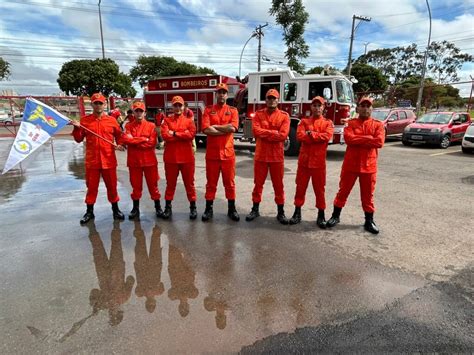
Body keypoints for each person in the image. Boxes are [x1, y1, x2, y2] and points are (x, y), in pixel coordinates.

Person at [326, 96, 385, 234]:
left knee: (368, 195)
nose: (365, 108)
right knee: (343, 192)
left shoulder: (378, 125)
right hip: (350, 165)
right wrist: (369, 138)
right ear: (358, 108)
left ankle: (369, 221)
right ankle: (335, 216)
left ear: (371, 109)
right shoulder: (350, 123)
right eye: (362, 106)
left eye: (368, 106)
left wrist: (359, 139)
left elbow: (379, 142)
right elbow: (349, 139)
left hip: (369, 166)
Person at [71, 93, 125, 225]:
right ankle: (89, 211)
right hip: (92, 161)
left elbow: (119, 135)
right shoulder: (85, 121)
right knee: (91, 187)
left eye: (101, 103)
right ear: (92, 104)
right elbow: (78, 139)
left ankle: (115, 209)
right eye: (96, 103)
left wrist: (120, 144)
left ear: (105, 104)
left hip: (108, 160)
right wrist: (76, 127)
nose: (98, 105)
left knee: (112, 186)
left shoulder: (111, 121)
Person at [245, 88, 290, 225]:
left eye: (274, 98)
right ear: (266, 100)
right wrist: (274, 133)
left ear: (278, 100)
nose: (271, 100)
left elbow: (283, 135)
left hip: (277, 157)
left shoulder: (284, 116)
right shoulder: (258, 114)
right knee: (258, 185)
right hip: (261, 156)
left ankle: (280, 212)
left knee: (278, 185)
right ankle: (255, 209)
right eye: (269, 98)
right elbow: (255, 132)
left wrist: (267, 134)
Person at [289, 96, 334, 228]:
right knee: (300, 188)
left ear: (323, 107)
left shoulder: (327, 123)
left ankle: (321, 215)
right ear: (311, 107)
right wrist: (315, 136)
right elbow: (300, 136)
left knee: (319, 190)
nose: (317, 108)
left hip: (318, 164)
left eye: (319, 105)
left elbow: (326, 137)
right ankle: (297, 213)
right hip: (304, 163)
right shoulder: (303, 122)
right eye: (314, 105)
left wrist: (311, 134)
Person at [201, 83, 240, 222]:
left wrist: (215, 127)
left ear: (227, 94)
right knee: (211, 184)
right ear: (216, 94)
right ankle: (208, 209)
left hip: (228, 154)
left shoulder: (233, 110)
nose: (221, 94)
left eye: (224, 92)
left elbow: (233, 128)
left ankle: (232, 209)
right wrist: (224, 129)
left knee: (229, 183)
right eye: (219, 92)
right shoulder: (208, 110)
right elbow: (205, 129)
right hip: (212, 155)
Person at [120, 101, 163, 220]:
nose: (139, 113)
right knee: (135, 186)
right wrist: (143, 139)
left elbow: (152, 143)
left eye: (141, 111)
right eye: (136, 110)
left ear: (144, 112)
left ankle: (158, 207)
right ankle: (135, 209)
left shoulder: (151, 126)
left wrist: (134, 141)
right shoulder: (128, 126)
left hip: (149, 162)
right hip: (134, 162)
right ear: (133, 112)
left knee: (153, 186)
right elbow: (126, 140)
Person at [160, 96, 197, 219]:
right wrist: (182, 134)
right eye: (175, 105)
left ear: (183, 106)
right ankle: (168, 208)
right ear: (172, 107)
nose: (177, 108)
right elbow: (165, 136)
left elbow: (191, 135)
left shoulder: (189, 121)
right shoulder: (166, 120)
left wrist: (174, 133)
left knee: (189, 184)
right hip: (171, 159)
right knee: (170, 184)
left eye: (179, 105)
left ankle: (193, 207)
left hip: (187, 158)